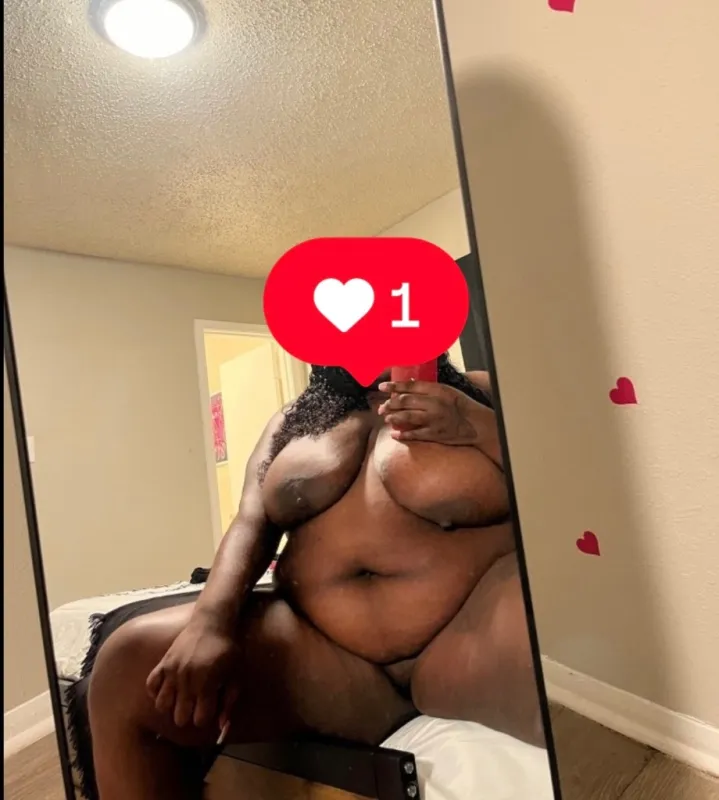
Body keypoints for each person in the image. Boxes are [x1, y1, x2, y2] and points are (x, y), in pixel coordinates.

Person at [87, 354, 543, 800]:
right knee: (127, 666)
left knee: (558, 660)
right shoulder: (292, 420)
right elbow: (251, 520)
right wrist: (210, 622)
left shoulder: (480, 391)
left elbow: (560, 481)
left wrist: (472, 423)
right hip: (328, 661)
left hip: (463, 637)